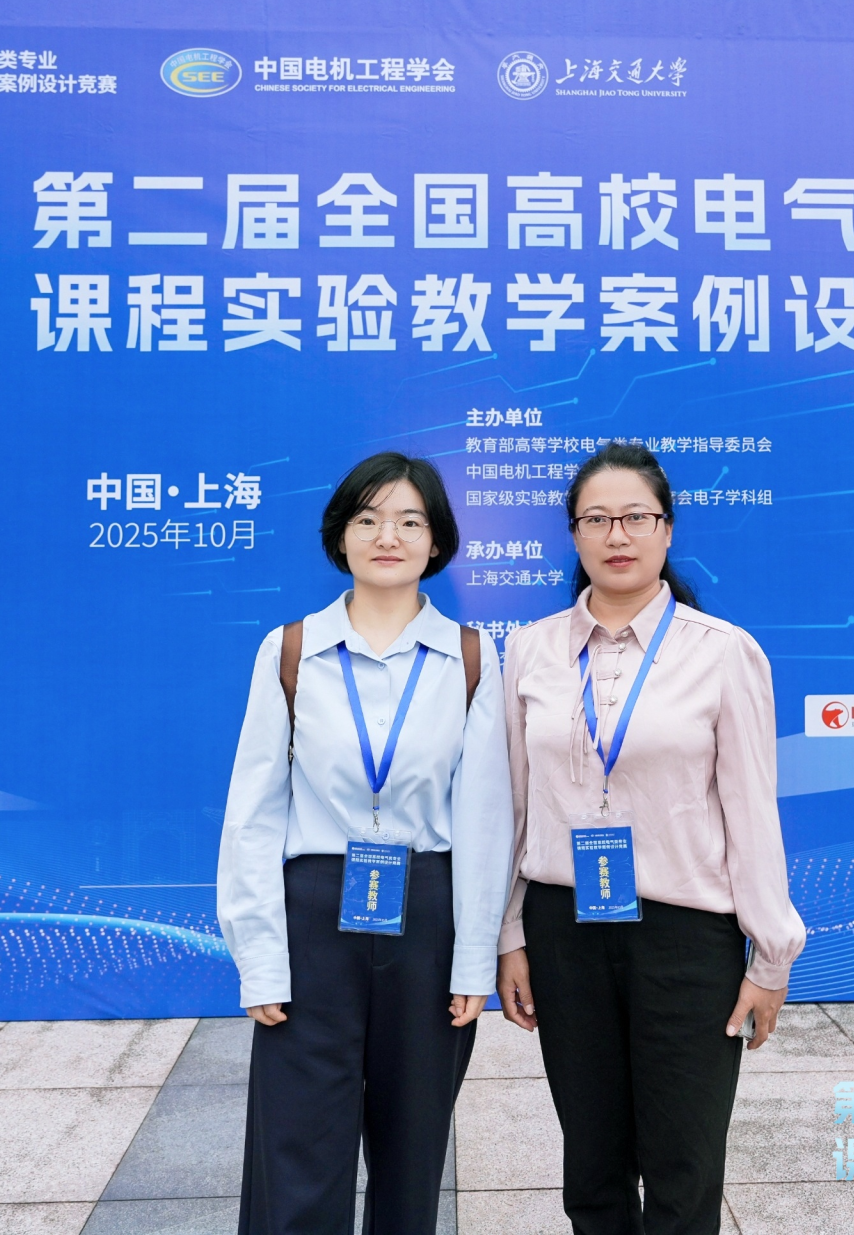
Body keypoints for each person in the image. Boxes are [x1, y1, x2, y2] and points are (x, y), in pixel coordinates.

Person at [494, 442, 805, 1235]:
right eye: (596, 518)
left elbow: (752, 811)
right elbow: (516, 808)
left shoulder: (722, 651)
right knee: (593, 1169)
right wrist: (510, 934)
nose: (617, 534)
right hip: (565, 930)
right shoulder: (529, 649)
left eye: (636, 516)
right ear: (573, 533)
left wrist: (771, 956)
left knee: (683, 1169)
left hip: (686, 937)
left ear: (667, 529)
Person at [217, 451, 510, 1235]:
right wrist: (259, 958)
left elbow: (485, 818)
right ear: (340, 535)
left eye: (411, 521)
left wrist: (473, 958)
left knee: (413, 1159)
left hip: (427, 916)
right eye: (369, 518)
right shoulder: (290, 650)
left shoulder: (471, 657)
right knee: (297, 1156)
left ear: (436, 541)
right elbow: (252, 813)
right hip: (313, 918)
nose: (389, 536)